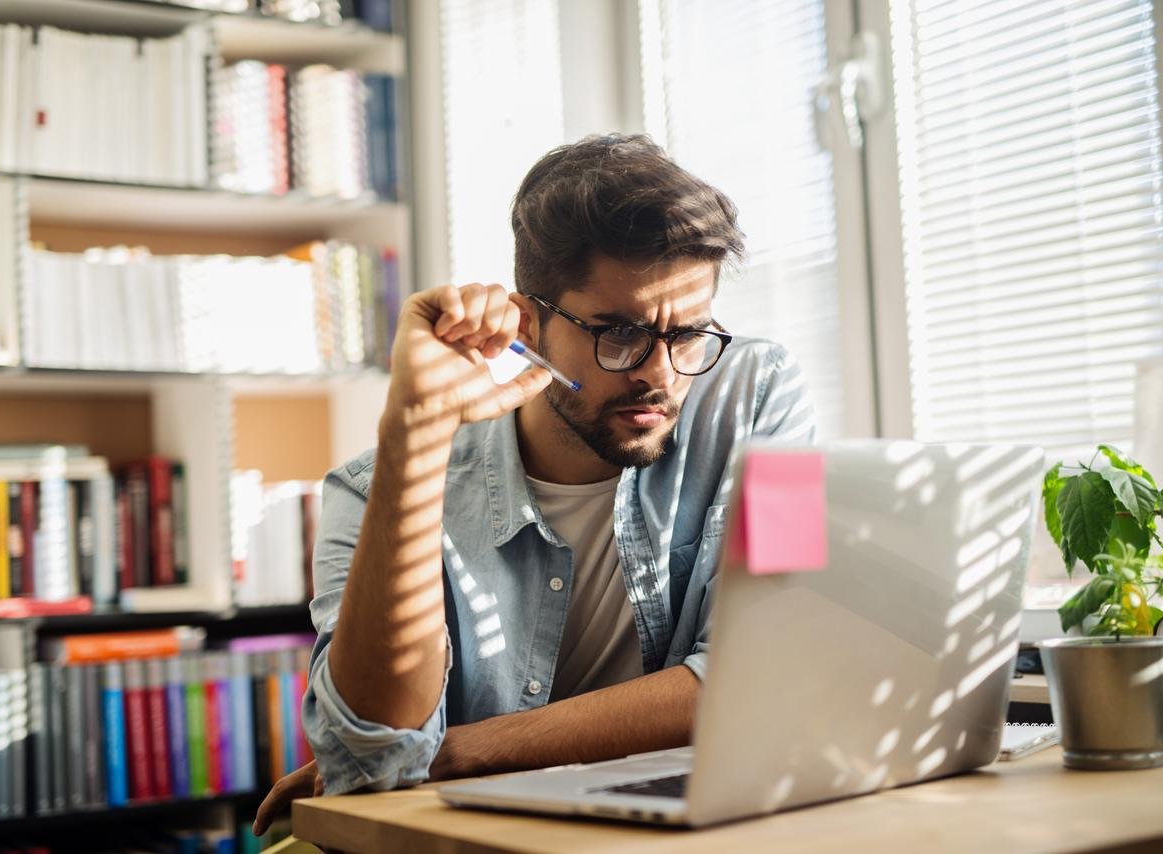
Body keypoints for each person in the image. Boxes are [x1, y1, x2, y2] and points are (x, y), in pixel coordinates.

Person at [253, 134, 815, 834]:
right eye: (619, 333)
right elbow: (375, 754)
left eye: (689, 332)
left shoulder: (756, 392)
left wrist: (457, 752)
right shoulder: (370, 492)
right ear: (530, 324)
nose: (660, 374)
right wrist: (414, 435)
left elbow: (764, 673)